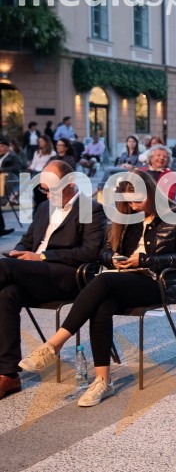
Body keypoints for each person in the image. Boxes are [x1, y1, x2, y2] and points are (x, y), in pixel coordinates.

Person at [18, 170, 176, 406]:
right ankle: (103, 381)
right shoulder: (125, 217)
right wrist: (113, 259)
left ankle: (54, 345)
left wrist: (145, 261)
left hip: (157, 282)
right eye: (128, 202)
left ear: (152, 194)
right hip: (122, 278)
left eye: (137, 200)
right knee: (101, 305)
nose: (133, 206)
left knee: (102, 282)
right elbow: (102, 251)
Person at [0, 160, 107, 399]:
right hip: (34, 275)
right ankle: (8, 375)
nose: (47, 194)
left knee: (4, 268)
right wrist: (19, 253)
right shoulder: (43, 209)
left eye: (51, 189)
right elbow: (26, 242)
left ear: (70, 183)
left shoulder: (92, 209)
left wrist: (42, 257)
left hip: (68, 277)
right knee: (7, 293)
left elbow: (90, 253)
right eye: (44, 189)